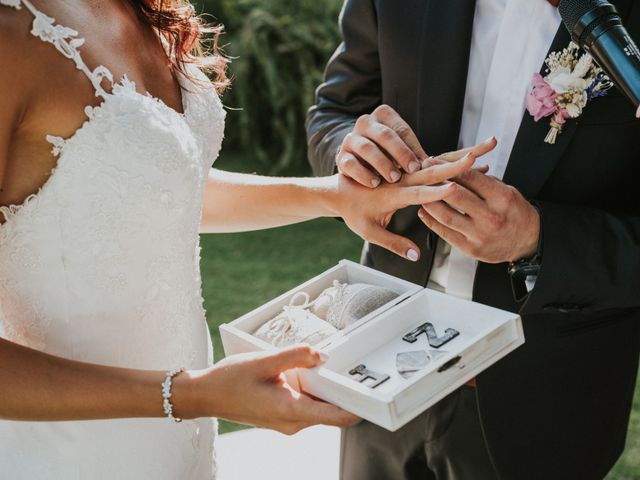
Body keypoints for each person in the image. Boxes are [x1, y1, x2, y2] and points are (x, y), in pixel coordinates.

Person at [0, 0, 498, 478]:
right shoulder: (11, 38)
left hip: (178, 440)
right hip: (70, 450)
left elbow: (158, 189)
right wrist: (190, 394)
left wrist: (333, 196)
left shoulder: (137, 6)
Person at [307, 1, 640, 479]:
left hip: (546, 397)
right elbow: (336, 112)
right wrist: (352, 153)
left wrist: (539, 238)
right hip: (378, 362)